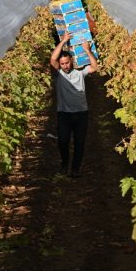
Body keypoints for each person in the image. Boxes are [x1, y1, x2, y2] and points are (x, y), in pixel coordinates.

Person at [50, 32, 98, 178]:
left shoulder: (80, 72)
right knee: (63, 142)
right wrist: (63, 41)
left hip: (82, 114)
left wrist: (87, 50)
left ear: (71, 60)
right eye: (62, 63)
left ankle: (75, 169)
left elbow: (94, 67)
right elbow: (53, 59)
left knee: (79, 143)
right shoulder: (59, 74)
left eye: (67, 62)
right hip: (64, 114)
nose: (65, 66)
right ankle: (65, 164)